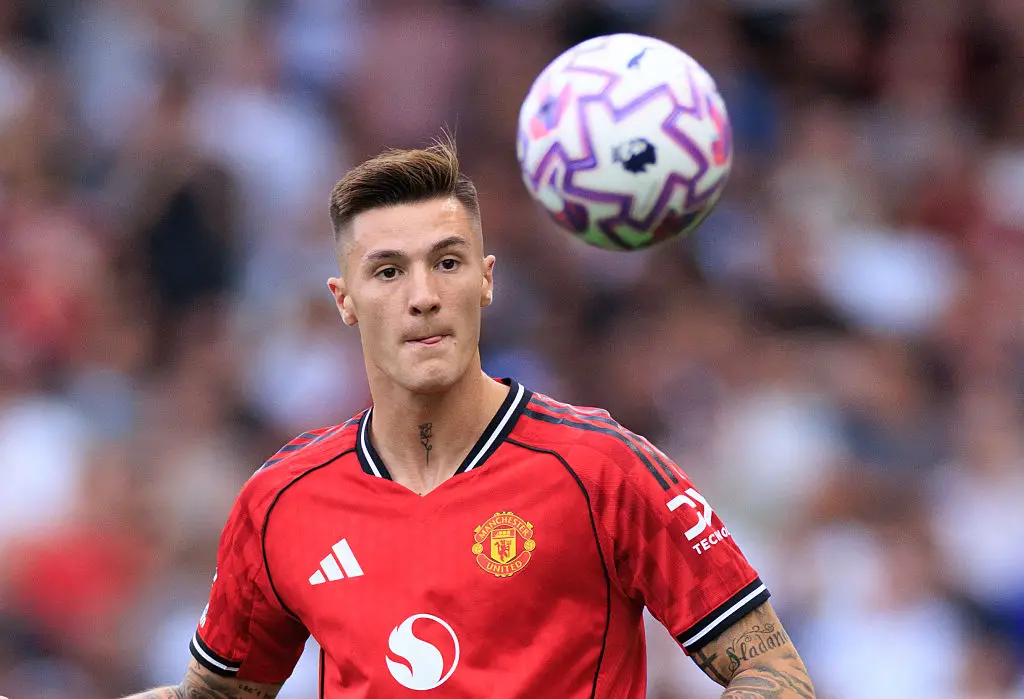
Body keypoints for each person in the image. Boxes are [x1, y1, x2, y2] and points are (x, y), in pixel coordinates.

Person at [124, 140, 814, 698]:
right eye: (388, 272)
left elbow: (774, 672)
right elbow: (214, 696)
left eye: (446, 263)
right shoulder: (281, 500)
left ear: (485, 278)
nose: (423, 296)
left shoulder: (604, 468)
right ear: (344, 298)